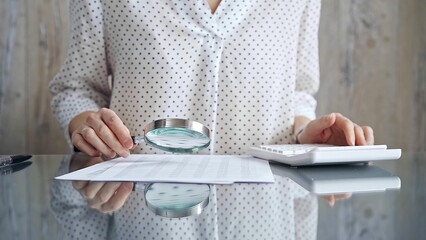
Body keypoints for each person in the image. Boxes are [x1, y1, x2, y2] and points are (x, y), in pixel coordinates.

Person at [49, 0, 373, 239]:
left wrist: (306, 135)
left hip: (263, 220)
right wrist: (85, 123)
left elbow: (299, 90)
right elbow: (76, 87)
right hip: (141, 216)